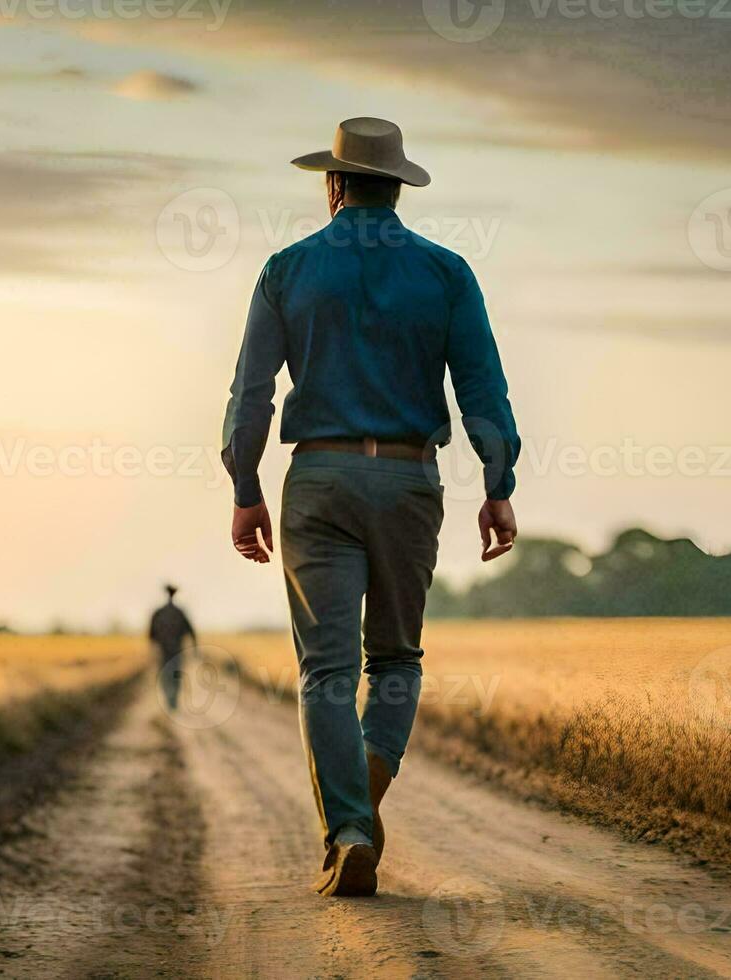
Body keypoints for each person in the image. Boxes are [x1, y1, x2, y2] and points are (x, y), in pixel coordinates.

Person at [220, 117, 521, 897]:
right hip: (409, 482)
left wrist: (244, 487)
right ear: (398, 188)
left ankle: (351, 825)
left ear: (332, 185)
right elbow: (483, 387)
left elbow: (251, 394)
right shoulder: (447, 273)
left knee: (325, 671)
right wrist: (498, 482)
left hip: (316, 478)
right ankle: (370, 778)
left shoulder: (287, 270)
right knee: (395, 659)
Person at [148, 583, 196, 711]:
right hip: (177, 651)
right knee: (176, 675)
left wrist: (154, 648)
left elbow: (151, 635)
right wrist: (194, 647)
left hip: (164, 651)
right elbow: (191, 631)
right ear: (174, 595)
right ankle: (173, 699)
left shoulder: (158, 613)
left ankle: (169, 699)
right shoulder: (180, 612)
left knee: (165, 676)